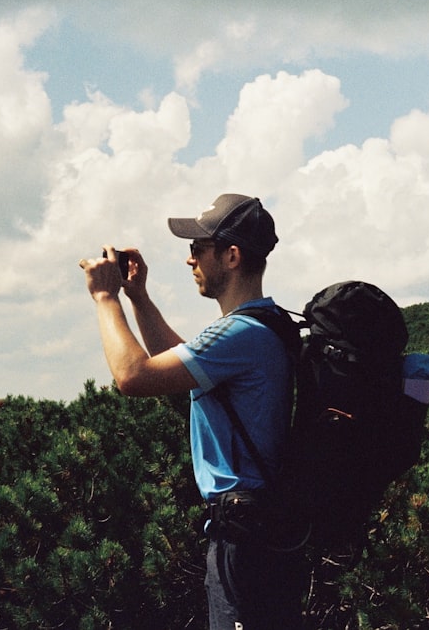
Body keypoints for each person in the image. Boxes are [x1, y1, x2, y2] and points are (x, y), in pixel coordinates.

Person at [79, 193, 305, 629]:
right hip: (259, 533)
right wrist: (138, 297)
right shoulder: (265, 324)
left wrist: (106, 298)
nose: (189, 260)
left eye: (197, 249)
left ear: (232, 255)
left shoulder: (241, 334)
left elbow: (133, 375)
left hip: (244, 541)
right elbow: (178, 363)